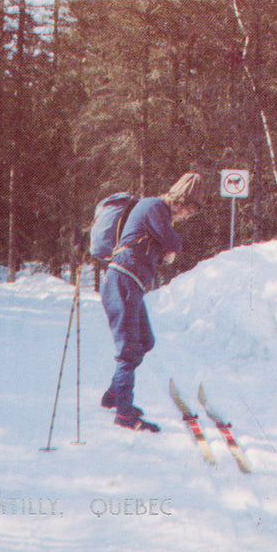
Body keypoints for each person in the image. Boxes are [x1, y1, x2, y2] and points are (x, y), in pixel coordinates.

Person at [99, 172, 204, 432]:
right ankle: (124, 414)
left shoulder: (158, 213)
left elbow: (165, 244)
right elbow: (171, 240)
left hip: (130, 284)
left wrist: (168, 249)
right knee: (128, 349)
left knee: (145, 341)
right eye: (187, 210)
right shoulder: (154, 206)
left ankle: (113, 395)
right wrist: (171, 246)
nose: (186, 216)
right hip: (122, 281)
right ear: (180, 201)